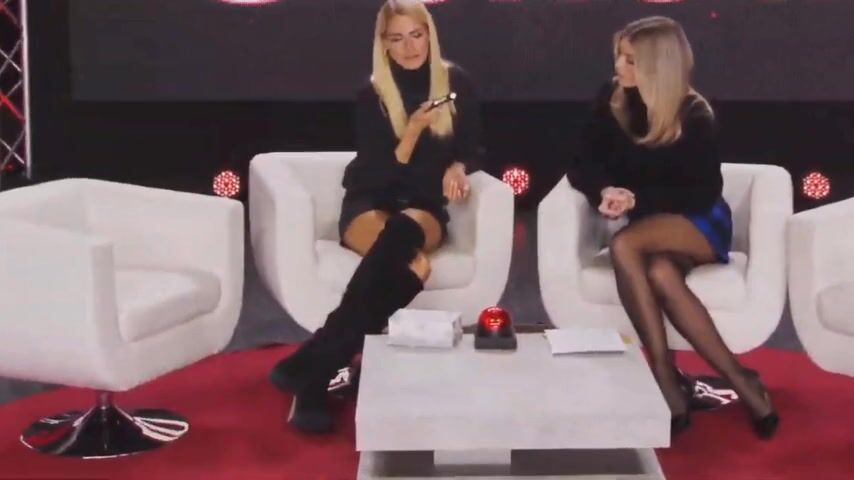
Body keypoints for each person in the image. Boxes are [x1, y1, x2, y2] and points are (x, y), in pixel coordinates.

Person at [268, 0, 483, 434]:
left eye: (416, 35)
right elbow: (374, 175)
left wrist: (459, 165)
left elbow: (475, 146)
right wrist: (411, 133)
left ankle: (314, 367)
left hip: (423, 206)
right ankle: (318, 368)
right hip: (370, 201)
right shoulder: (372, 95)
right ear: (383, 44)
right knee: (412, 266)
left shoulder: (455, 82)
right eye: (397, 38)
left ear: (430, 34)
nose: (409, 47)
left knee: (406, 236)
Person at [569, 16, 778, 439]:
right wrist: (605, 189)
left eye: (630, 60)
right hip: (652, 225)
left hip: (699, 221)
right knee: (661, 272)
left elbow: (700, 192)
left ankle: (664, 376)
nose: (619, 67)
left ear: (657, 65)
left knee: (625, 245)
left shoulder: (694, 114)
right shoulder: (612, 98)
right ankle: (740, 379)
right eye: (619, 56)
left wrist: (637, 199)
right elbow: (580, 162)